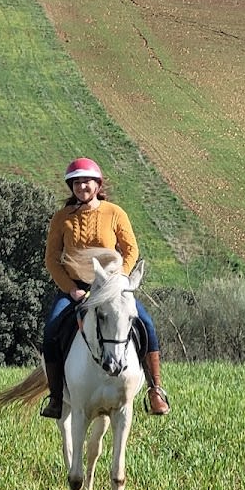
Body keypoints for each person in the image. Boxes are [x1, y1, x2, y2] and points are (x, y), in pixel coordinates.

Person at [39, 158, 169, 418]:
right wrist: (70, 289)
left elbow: (131, 249)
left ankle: (155, 390)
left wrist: (118, 280)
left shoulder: (115, 213)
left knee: (146, 324)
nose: (81, 187)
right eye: (76, 183)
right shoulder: (61, 218)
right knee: (52, 329)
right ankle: (55, 397)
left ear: (97, 184)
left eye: (86, 182)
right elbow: (52, 259)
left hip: (111, 287)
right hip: (75, 288)